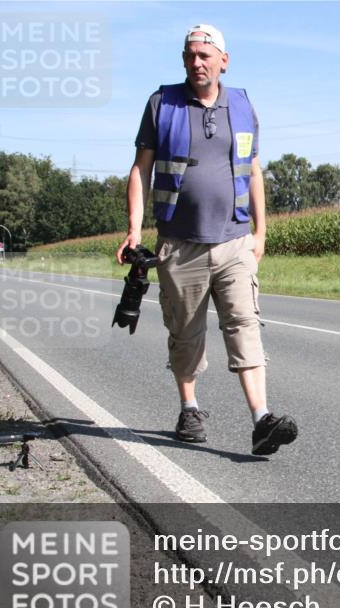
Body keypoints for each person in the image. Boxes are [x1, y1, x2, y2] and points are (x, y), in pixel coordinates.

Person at [117, 23, 298, 456]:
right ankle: (190, 408)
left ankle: (261, 420)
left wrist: (261, 231)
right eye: (189, 55)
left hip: (235, 241)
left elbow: (254, 170)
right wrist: (134, 229)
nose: (196, 63)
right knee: (185, 333)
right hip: (179, 245)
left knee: (244, 324)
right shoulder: (162, 104)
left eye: (204, 55)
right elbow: (141, 170)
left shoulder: (242, 104)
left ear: (223, 61)